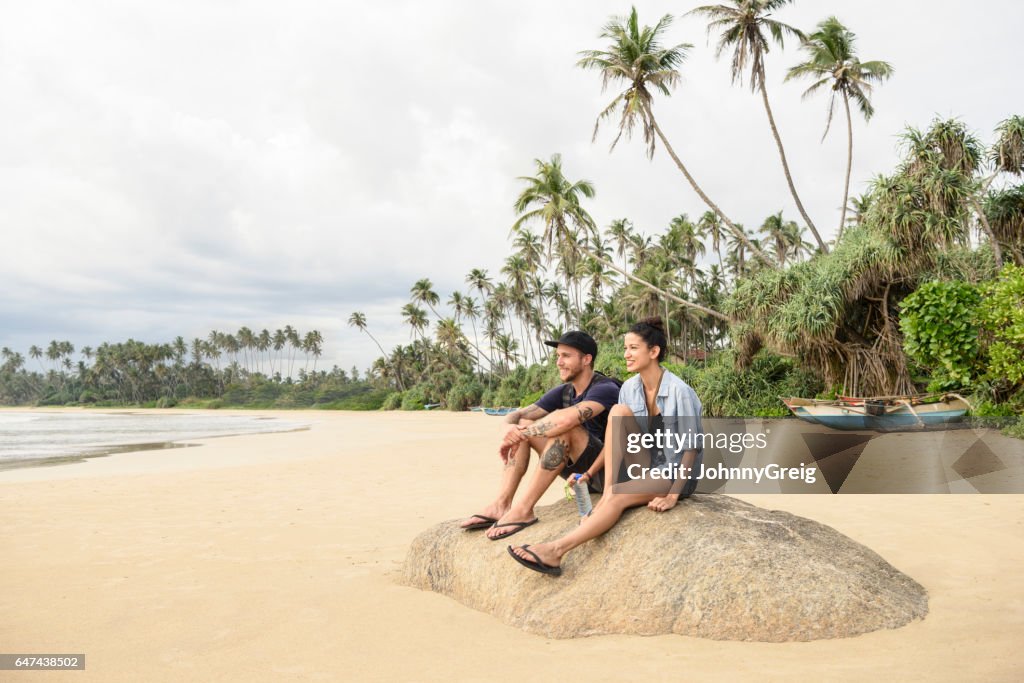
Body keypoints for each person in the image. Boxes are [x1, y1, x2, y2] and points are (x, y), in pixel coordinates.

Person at [508, 317, 703, 575]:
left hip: (673, 472)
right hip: (644, 465)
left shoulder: (680, 391)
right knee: (619, 412)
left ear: (653, 352)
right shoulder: (630, 388)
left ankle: (555, 551)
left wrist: (672, 495)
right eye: (625, 348)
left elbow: (691, 448)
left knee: (616, 497)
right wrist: (589, 474)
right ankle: (609, 492)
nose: (626, 354)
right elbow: (616, 440)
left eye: (633, 348)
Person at [460, 331, 620, 541]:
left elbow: (566, 421)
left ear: (586, 359)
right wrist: (508, 427)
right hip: (580, 476)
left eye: (566, 356)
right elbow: (520, 414)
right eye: (558, 356)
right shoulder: (564, 391)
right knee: (524, 423)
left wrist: (519, 434)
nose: (559, 362)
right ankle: (502, 503)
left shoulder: (605, 388)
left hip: (607, 472)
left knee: (564, 428)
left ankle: (524, 510)